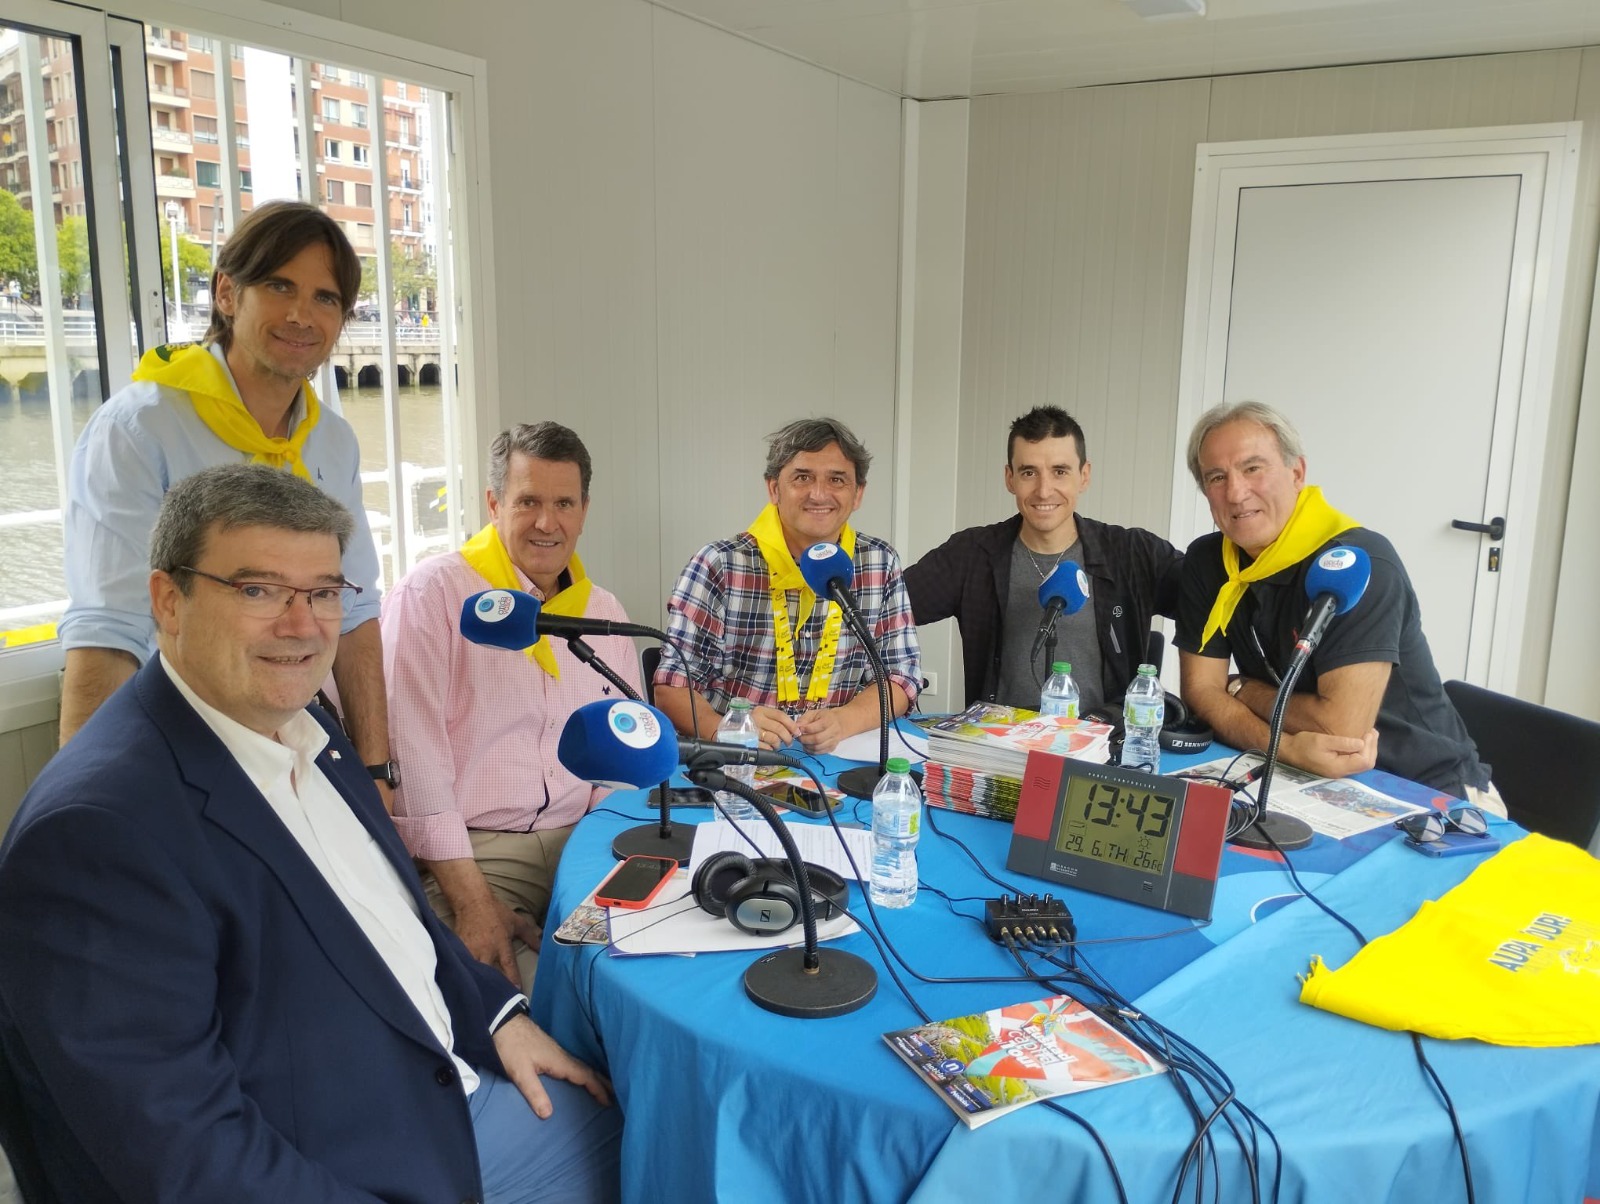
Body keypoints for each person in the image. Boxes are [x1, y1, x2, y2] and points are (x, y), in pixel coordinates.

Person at [0, 465, 620, 1203]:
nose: (302, 626)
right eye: (259, 591)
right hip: (349, 1165)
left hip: (439, 1082)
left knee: (655, 1116)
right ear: (169, 600)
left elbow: (400, 921)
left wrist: (497, 1015)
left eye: (324, 593)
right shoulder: (96, 834)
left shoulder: (308, 728)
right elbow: (181, 1152)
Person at [56, 200, 396, 806]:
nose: (302, 314)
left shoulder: (331, 440)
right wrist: (84, 810)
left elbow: (355, 609)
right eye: (279, 285)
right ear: (227, 293)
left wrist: (375, 770)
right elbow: (110, 630)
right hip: (178, 744)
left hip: (300, 736)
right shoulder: (139, 429)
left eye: (325, 297)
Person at [382, 423, 642, 992]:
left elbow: (622, 760)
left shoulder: (602, 610)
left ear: (584, 510)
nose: (547, 523)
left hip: (587, 839)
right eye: (528, 502)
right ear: (494, 503)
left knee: (642, 979)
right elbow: (414, 761)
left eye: (564, 504)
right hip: (477, 856)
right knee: (513, 999)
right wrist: (472, 900)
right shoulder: (432, 595)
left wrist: (609, 855)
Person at [1175, 400, 1497, 805]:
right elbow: (1201, 691)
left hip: (1425, 785)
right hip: (1297, 771)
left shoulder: (1359, 563)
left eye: (1253, 468)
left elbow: (1340, 731)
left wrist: (1243, 690)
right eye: (1217, 477)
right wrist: (1284, 748)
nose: (1236, 493)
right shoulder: (1209, 560)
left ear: (1297, 473)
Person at [654, 417, 920, 754]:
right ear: (773, 489)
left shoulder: (879, 563)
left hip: (838, 755)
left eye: (837, 479)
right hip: (738, 758)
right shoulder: (719, 564)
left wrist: (844, 720)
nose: (819, 494)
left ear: (858, 494)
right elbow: (671, 687)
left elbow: (901, 676)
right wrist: (727, 730)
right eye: (802, 477)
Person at [903, 406, 1182, 712]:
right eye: (1028, 472)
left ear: (1084, 476)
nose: (1044, 490)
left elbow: (1207, 597)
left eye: (1060, 471)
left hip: (1105, 740)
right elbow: (884, 609)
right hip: (998, 738)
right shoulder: (972, 554)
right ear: (1010, 478)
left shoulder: (1132, 553)